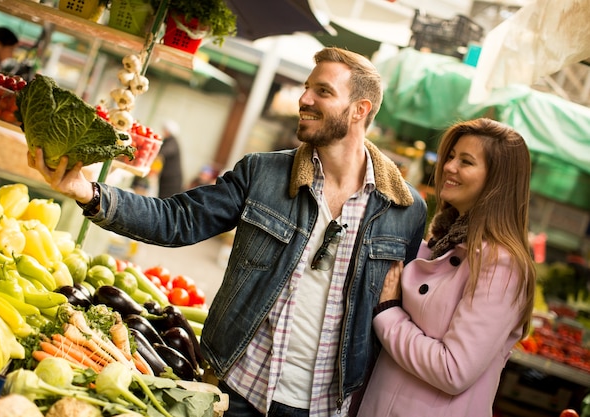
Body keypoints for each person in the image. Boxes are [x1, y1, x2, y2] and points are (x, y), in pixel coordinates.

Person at [27, 46, 427, 416]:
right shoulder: (263, 174)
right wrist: (88, 192)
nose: (304, 99)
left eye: (322, 91)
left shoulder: (404, 211)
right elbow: (177, 219)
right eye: (306, 88)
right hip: (237, 393)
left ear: (360, 110)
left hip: (325, 407)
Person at [355, 118, 536, 417]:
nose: (449, 166)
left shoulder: (501, 264)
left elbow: (453, 369)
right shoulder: (442, 241)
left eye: (466, 161)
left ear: (497, 181)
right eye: (451, 156)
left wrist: (388, 312)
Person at [155, 120, 184, 197]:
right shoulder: (168, 141)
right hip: (167, 178)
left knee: (166, 200)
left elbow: (162, 152)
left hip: (171, 180)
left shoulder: (172, 142)